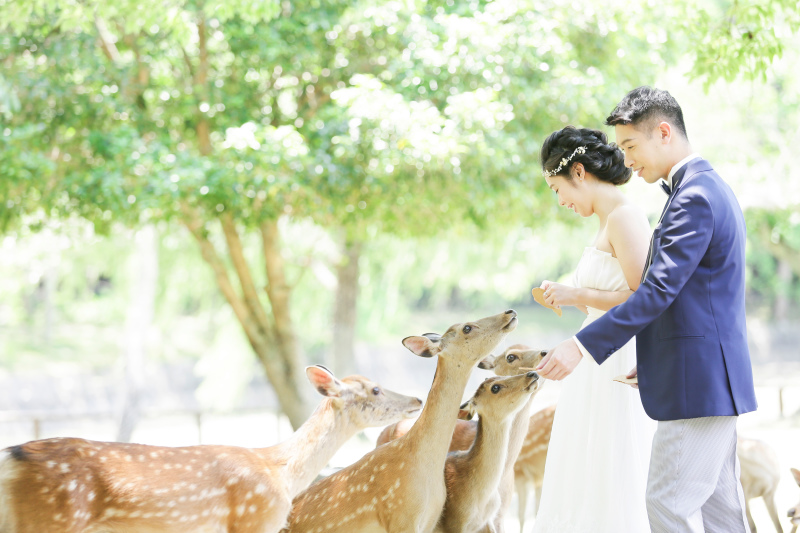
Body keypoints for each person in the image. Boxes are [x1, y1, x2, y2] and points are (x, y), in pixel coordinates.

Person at [536, 86, 757, 533]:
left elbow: (655, 291)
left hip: (699, 384)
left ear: (663, 131)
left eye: (630, 146)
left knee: (667, 505)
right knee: (720, 514)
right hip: (704, 377)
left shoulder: (694, 196)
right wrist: (658, 355)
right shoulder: (701, 189)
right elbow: (687, 295)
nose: (627, 160)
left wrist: (581, 346)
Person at [530, 126, 656, 533]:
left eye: (556, 188)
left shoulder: (624, 217)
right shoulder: (605, 221)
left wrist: (576, 291)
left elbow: (644, 298)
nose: (561, 200)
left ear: (579, 173)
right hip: (594, 362)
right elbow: (606, 298)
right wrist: (572, 298)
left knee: (613, 469)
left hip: (617, 359)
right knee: (588, 472)